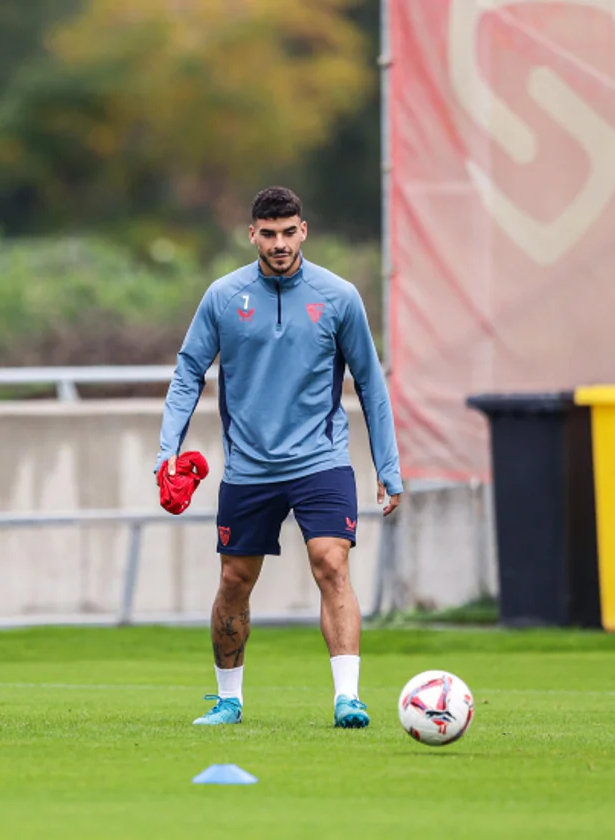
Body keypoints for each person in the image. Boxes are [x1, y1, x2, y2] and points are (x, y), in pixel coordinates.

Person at [157, 186, 403, 729]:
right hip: (249, 468)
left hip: (321, 459)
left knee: (331, 564)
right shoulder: (223, 297)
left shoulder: (338, 297)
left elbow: (371, 383)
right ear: (252, 235)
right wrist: (165, 450)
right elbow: (187, 374)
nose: (279, 244)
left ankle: (348, 698)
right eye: (268, 234)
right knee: (234, 582)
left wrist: (388, 467)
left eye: (288, 232)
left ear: (303, 231)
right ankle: (229, 700)